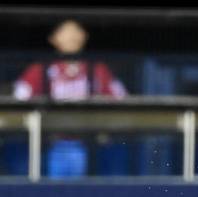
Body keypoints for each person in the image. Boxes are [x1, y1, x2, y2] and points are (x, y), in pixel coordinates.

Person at [13, 19, 128, 177]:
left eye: (76, 31)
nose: (72, 36)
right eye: (65, 32)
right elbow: (18, 99)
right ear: (53, 38)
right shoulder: (41, 69)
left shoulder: (97, 68)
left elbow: (121, 99)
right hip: (51, 144)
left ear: (84, 36)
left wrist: (103, 121)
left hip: (90, 144)